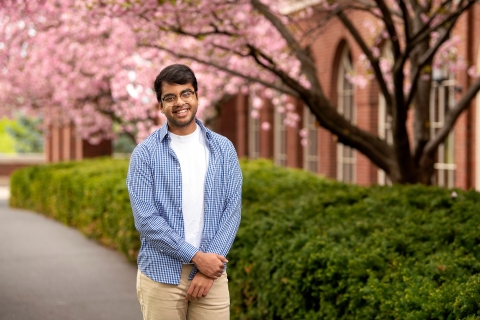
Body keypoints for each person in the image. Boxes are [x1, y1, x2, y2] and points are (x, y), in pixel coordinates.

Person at [126, 64, 242, 320]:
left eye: (186, 94)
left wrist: (207, 269)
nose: (180, 102)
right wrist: (196, 257)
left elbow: (231, 210)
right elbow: (146, 220)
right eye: (170, 97)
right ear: (160, 105)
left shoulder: (223, 149)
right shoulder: (144, 155)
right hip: (161, 276)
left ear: (197, 97)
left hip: (211, 274)